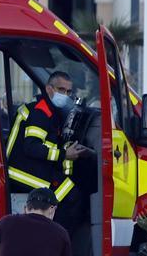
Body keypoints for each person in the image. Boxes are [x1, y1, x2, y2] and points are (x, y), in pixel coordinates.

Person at [5, 71, 90, 235]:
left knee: (71, 190)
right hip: (19, 171)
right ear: (49, 89)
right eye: (61, 90)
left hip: (30, 166)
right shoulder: (41, 112)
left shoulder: (50, 110)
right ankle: (58, 244)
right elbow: (31, 147)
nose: (65, 95)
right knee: (72, 197)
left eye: (68, 92)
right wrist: (64, 155)